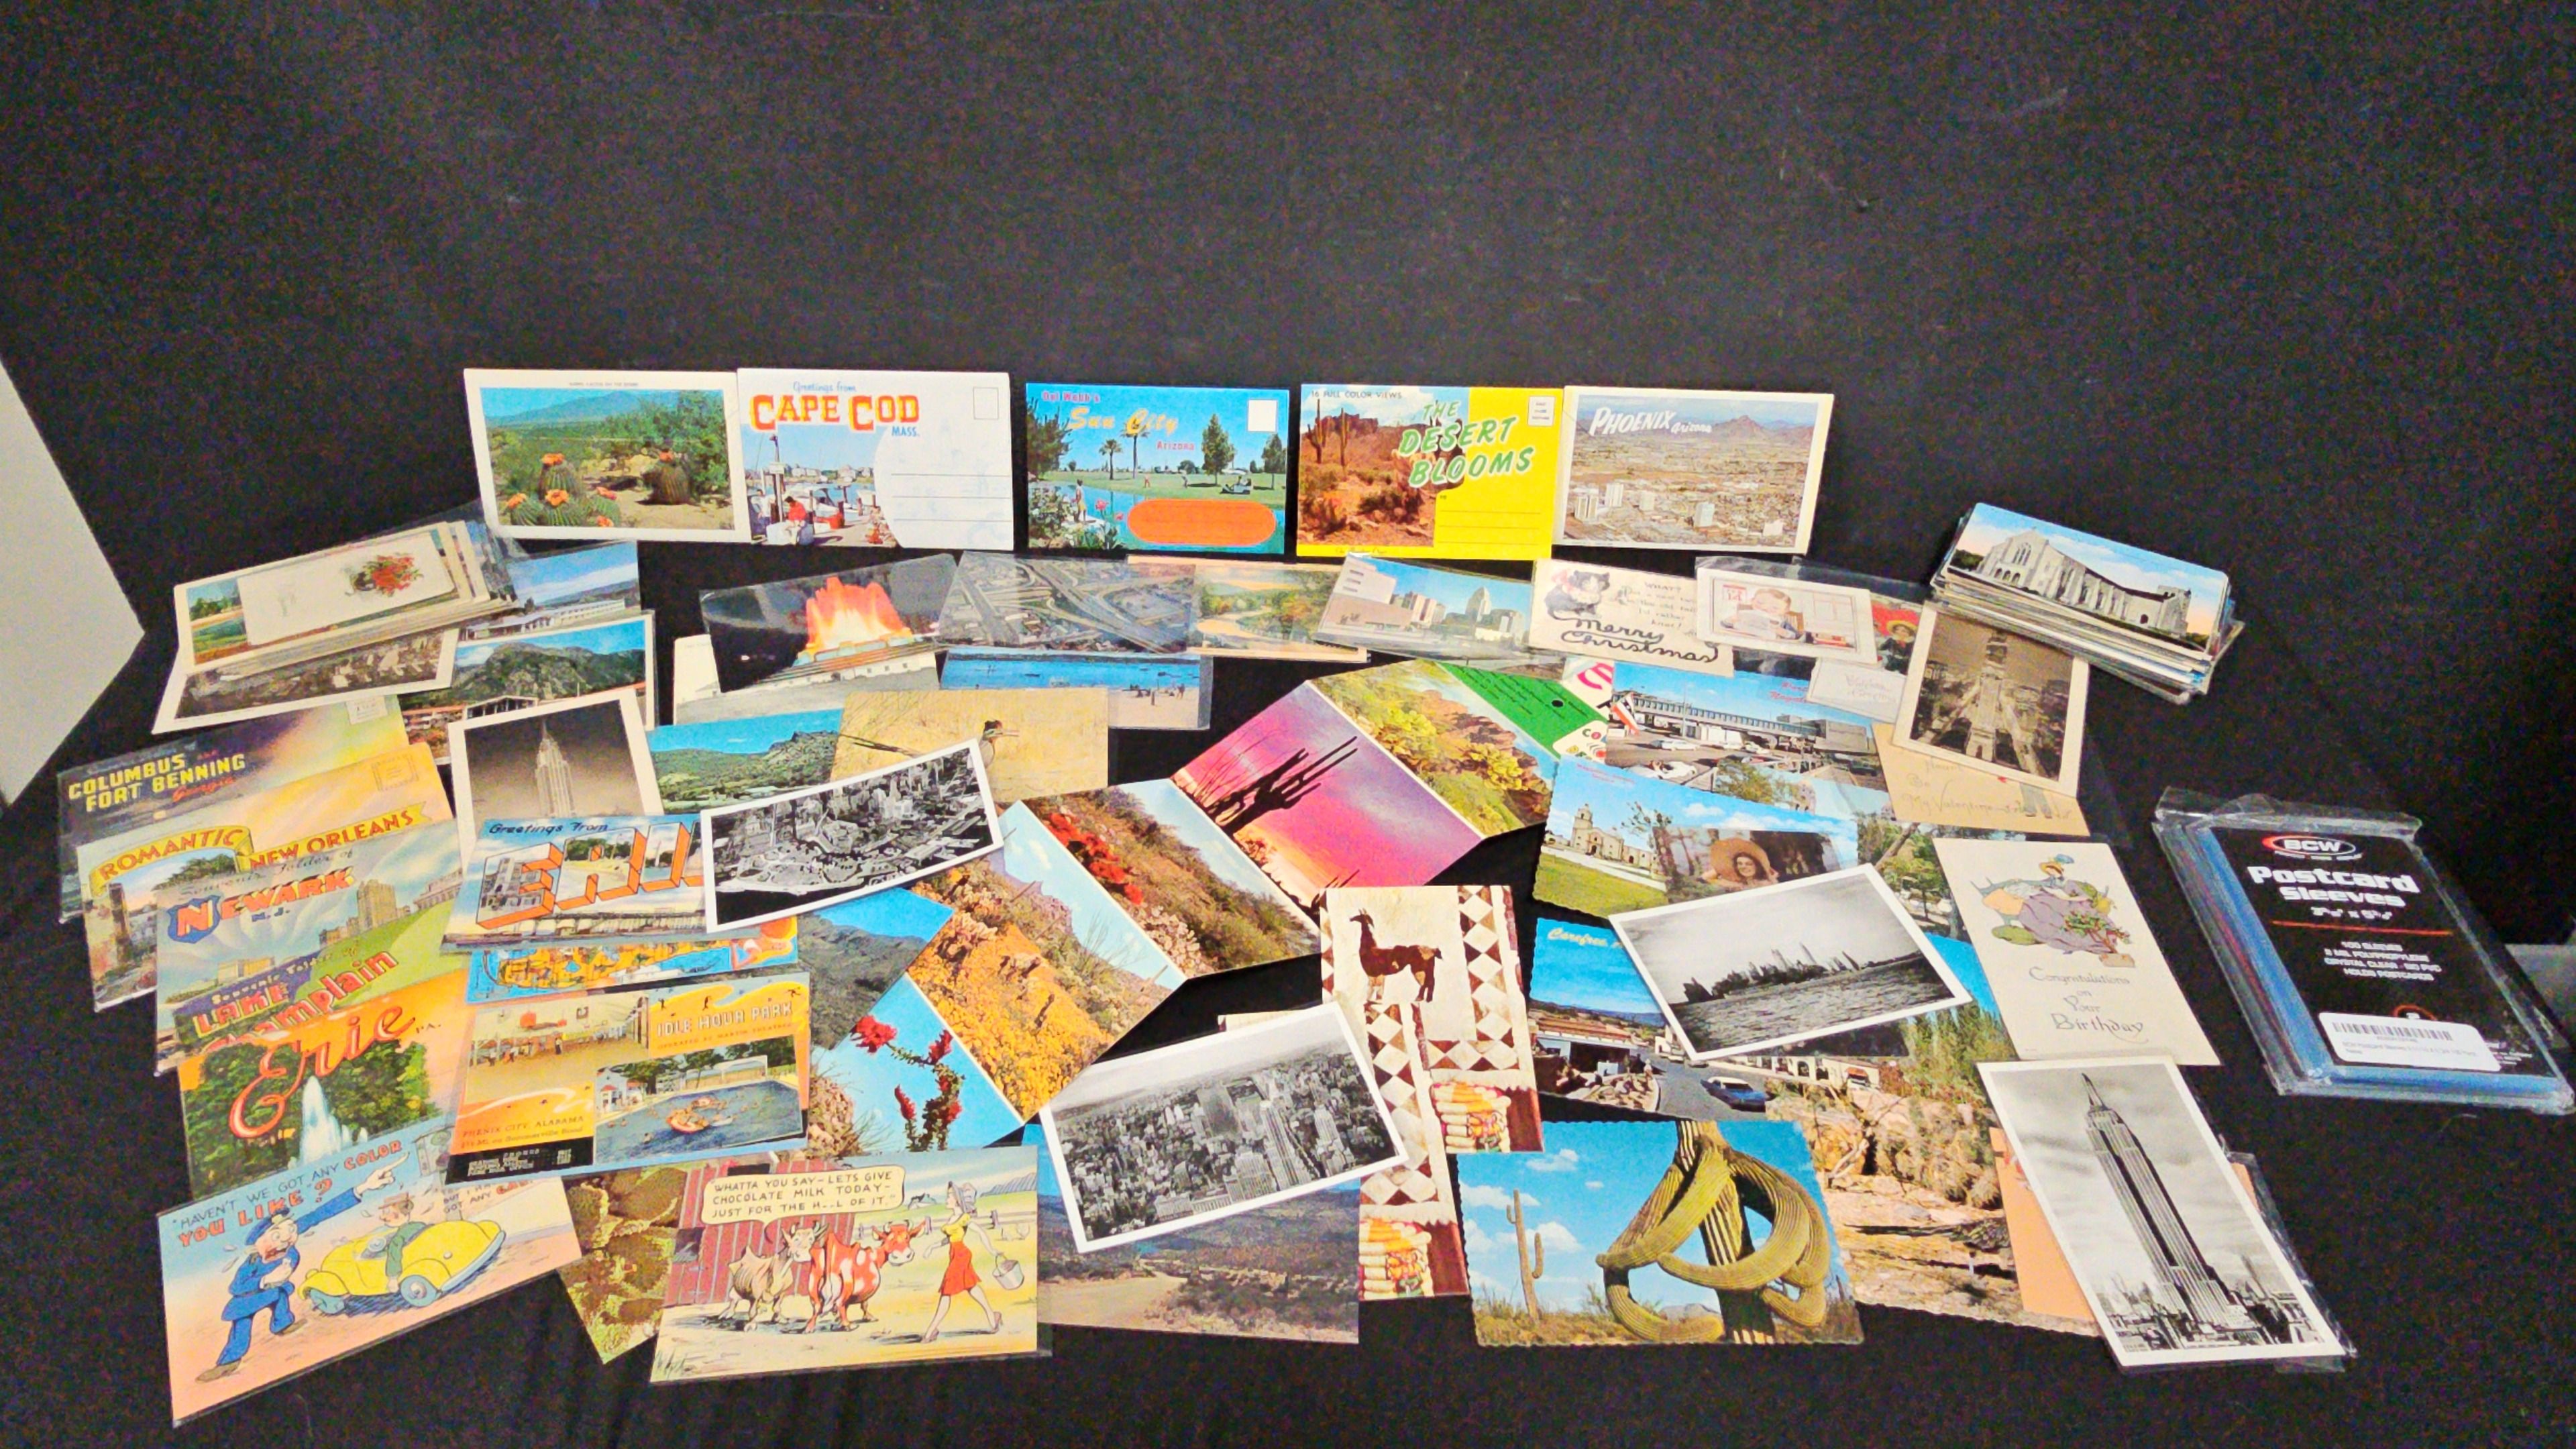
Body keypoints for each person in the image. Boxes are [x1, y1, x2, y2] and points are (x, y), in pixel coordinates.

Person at [199, 1161, 400, 1381]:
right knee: (242, 1326)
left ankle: (282, 1324)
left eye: (291, 1230)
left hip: (276, 1290)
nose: (287, 1237)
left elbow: (321, 1213)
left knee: (280, 1297)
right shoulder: (252, 1263)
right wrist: (265, 1280)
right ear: (258, 1243)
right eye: (278, 1235)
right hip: (248, 1300)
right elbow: (236, 1288)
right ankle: (228, 1362)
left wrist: (364, 1187)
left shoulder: (289, 1242)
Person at [918, 1179, 1000, 1343]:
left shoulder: (964, 1218)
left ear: (957, 1199)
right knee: (972, 1287)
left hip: (961, 1256)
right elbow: (950, 1239)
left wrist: (991, 1250)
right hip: (955, 1254)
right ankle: (993, 1319)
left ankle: (930, 1332)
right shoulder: (952, 1218)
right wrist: (932, 1247)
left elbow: (981, 1232)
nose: (947, 1199)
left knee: (946, 1292)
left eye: (950, 1196)